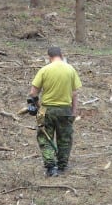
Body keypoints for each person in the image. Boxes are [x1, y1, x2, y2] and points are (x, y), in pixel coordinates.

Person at [27, 46, 82, 177]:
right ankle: (62, 166)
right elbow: (75, 94)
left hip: (47, 110)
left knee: (45, 138)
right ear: (61, 55)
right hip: (65, 110)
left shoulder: (44, 70)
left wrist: (37, 106)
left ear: (49, 57)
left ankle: (50, 167)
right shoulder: (70, 70)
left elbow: (33, 93)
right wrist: (74, 111)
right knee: (65, 139)